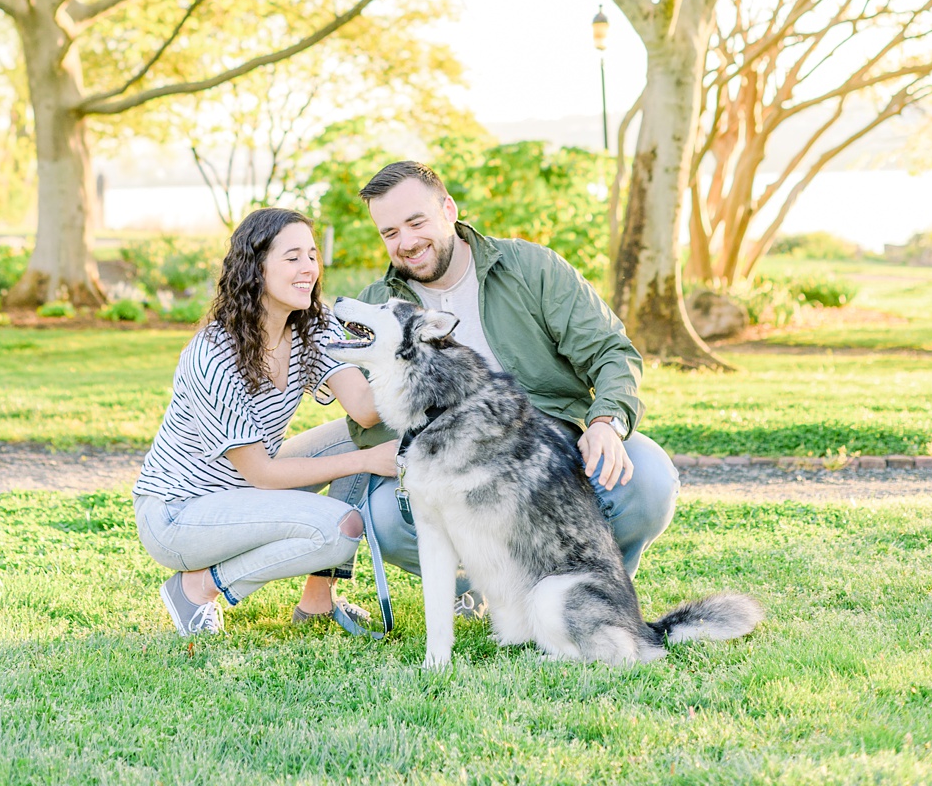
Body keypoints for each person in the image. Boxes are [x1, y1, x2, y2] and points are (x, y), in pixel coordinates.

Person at [300, 158, 678, 617]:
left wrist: (605, 423)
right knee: (385, 519)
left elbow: (611, 352)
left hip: (550, 458)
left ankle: (593, 594)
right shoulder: (380, 305)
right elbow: (364, 415)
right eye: (390, 232)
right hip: (455, 475)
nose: (406, 243)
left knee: (649, 477)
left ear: (449, 208)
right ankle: (491, 589)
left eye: (416, 222)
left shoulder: (531, 267)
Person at [134, 207, 400, 638]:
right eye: (292, 257)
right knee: (340, 529)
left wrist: (411, 353)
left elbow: (367, 411)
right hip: (179, 515)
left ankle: (317, 601)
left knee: (359, 438)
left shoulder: (313, 326)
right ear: (255, 268)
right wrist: (367, 462)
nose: (309, 269)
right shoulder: (213, 355)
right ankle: (197, 587)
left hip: (248, 490)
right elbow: (262, 471)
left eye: (312, 255)